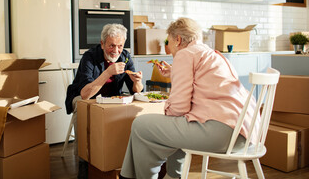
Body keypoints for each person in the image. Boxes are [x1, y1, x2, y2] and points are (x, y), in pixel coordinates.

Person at [120, 18, 260, 179]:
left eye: (169, 42)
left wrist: (166, 114)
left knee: (140, 125)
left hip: (223, 133)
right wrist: (175, 72)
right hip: (245, 133)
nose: (169, 48)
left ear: (178, 40)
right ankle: (172, 176)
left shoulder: (184, 54)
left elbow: (179, 108)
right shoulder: (212, 54)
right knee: (180, 124)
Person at [65, 23, 143, 178]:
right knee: (82, 108)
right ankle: (84, 160)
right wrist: (108, 72)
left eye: (119, 46)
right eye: (111, 46)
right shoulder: (89, 57)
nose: (116, 51)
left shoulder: (125, 56)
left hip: (110, 100)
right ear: (102, 44)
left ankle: (116, 156)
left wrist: (137, 81)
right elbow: (86, 94)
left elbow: (137, 90)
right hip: (83, 97)